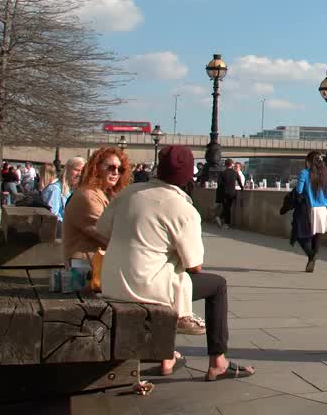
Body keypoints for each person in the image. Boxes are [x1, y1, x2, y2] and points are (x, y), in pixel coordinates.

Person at [97, 145, 253, 381]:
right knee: (217, 285)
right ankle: (218, 361)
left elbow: (102, 231)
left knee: (168, 273)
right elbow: (195, 266)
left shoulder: (129, 193)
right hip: (145, 287)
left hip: (111, 283)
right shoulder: (183, 208)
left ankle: (167, 357)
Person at [62, 147, 132, 269]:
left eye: (120, 169)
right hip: (84, 269)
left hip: (99, 266)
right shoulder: (87, 195)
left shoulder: (105, 193)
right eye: (111, 167)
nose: (116, 172)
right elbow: (106, 233)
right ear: (97, 168)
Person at [292, 152, 327, 272]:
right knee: (317, 235)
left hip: (309, 209)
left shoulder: (304, 173)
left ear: (308, 161)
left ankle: (311, 255)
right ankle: (313, 256)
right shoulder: (324, 174)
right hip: (322, 209)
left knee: (300, 235)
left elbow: (299, 191)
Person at [214, 159, 243, 228]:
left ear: (225, 165)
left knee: (226, 207)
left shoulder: (222, 173)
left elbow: (219, 183)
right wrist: (242, 188)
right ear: (232, 164)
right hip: (232, 192)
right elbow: (239, 182)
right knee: (228, 207)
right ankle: (225, 222)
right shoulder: (235, 173)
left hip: (224, 192)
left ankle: (221, 219)